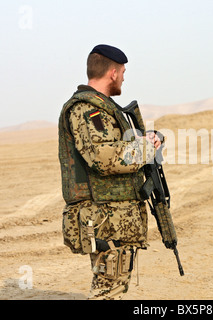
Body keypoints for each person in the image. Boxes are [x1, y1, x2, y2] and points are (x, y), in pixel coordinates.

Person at [58, 44, 161, 300]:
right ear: (113, 73)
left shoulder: (103, 108)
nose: (124, 77)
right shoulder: (86, 110)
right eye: (123, 71)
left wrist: (143, 141)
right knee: (108, 290)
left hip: (115, 216)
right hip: (105, 218)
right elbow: (103, 157)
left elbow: (114, 146)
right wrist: (145, 149)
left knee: (114, 285)